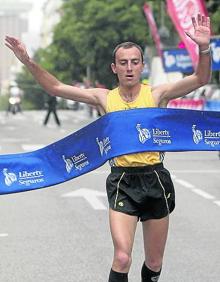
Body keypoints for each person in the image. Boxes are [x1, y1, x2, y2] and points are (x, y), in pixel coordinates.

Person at [5, 13, 211, 282]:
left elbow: (200, 79)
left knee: (154, 262)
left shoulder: (157, 94)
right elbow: (55, 87)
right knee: (122, 257)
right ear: (114, 68)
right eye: (123, 63)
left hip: (156, 180)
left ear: (142, 66)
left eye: (134, 62)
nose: (129, 68)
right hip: (123, 180)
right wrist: (28, 61)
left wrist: (204, 48)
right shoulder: (103, 98)